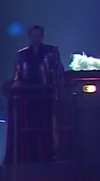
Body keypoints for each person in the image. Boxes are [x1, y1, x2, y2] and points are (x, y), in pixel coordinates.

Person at [6, 25, 65, 164]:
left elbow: (58, 71)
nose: (36, 39)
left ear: (42, 36)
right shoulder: (22, 54)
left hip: (45, 94)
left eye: (38, 36)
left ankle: (46, 155)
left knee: (45, 125)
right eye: (34, 36)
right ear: (30, 37)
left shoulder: (51, 51)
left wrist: (59, 89)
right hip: (27, 96)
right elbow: (18, 73)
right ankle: (28, 155)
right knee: (28, 126)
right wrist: (16, 85)